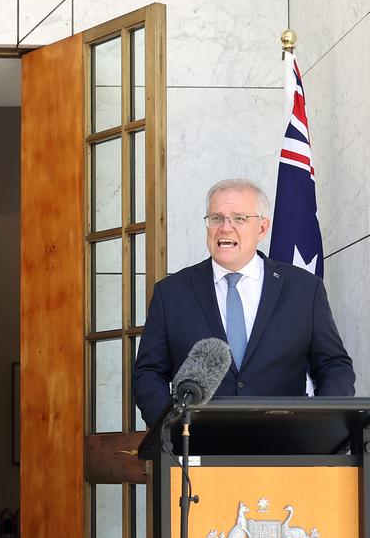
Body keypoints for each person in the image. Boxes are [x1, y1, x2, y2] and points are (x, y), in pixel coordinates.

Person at [133, 179, 355, 422]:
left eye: (239, 218)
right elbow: (148, 374)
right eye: (216, 218)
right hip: (197, 448)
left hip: (286, 446)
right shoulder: (172, 293)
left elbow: (334, 366)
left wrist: (322, 425)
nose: (225, 228)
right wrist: (170, 428)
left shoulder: (303, 289)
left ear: (262, 228)